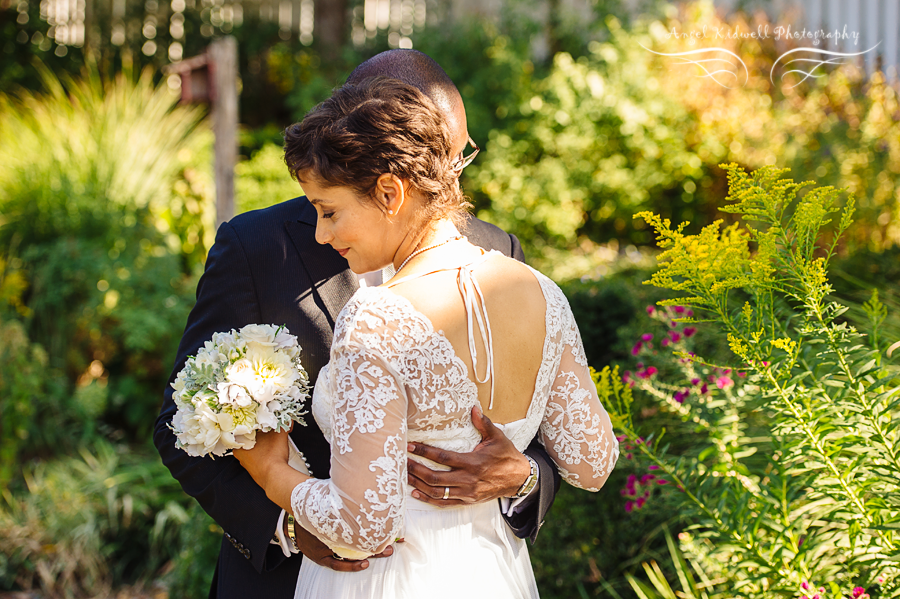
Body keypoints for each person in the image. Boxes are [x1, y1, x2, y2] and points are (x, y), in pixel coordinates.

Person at [153, 49, 561, 599]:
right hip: (289, 579)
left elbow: (543, 430)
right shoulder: (257, 248)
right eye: (430, 154)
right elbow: (182, 422)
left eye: (458, 156)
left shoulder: (497, 252)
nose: (445, 178)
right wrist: (287, 527)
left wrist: (523, 477)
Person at [234, 77, 619, 598]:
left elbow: (362, 526)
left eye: (329, 211)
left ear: (390, 193)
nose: (321, 234)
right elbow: (592, 461)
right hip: (491, 574)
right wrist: (519, 472)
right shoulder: (543, 293)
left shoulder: (377, 318)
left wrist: (271, 472)